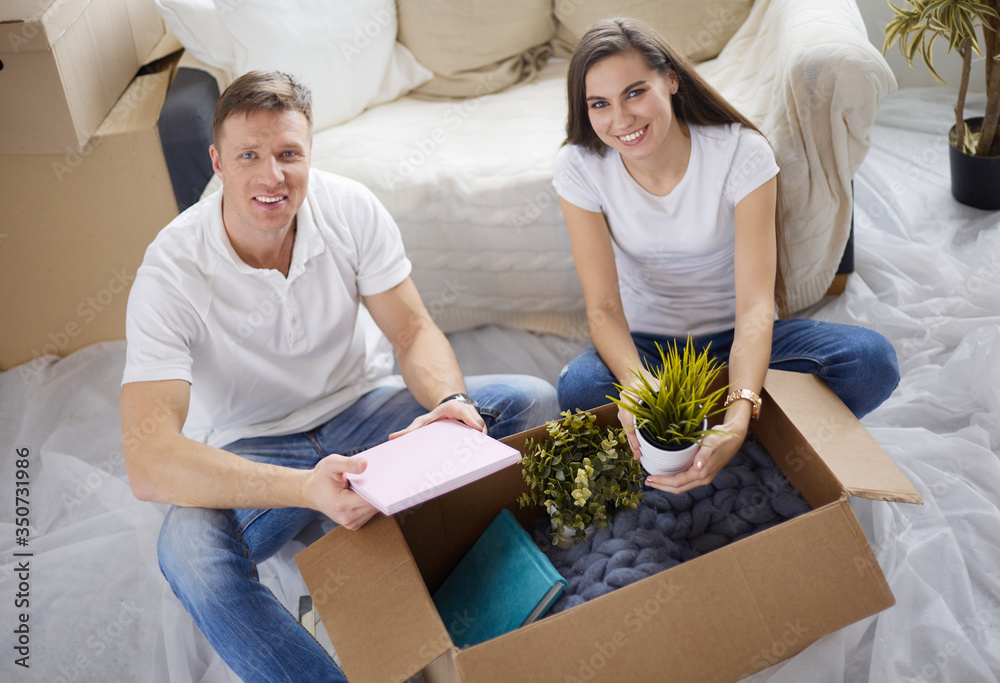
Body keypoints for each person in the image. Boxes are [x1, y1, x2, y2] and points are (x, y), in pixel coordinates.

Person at [119, 70, 558, 683]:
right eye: (250, 154)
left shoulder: (349, 206)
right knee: (187, 556)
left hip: (368, 412)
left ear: (309, 154)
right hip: (257, 445)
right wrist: (303, 489)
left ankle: (480, 593)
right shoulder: (171, 269)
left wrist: (452, 400)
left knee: (528, 401)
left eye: (288, 154)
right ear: (217, 161)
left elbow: (411, 331)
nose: (272, 176)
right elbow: (149, 460)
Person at [553, 18, 899, 495]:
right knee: (578, 391)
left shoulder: (742, 153)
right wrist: (637, 391)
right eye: (599, 104)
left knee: (870, 361)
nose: (621, 120)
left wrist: (739, 410)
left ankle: (719, 439)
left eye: (635, 92)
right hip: (651, 351)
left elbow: (756, 307)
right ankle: (727, 447)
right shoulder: (580, 166)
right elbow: (603, 309)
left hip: (740, 339)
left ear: (671, 79)